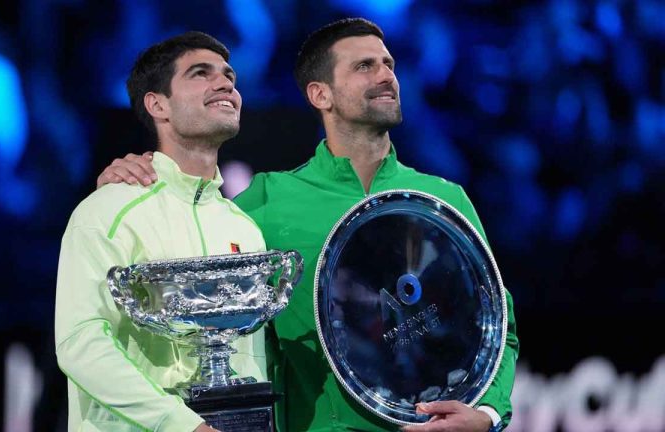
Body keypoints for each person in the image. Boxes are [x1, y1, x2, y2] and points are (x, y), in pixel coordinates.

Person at [98, 18, 519, 432]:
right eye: (363, 67)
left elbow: (499, 325)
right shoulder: (268, 201)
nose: (385, 75)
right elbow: (186, 234)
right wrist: (135, 181)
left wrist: (488, 415)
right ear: (321, 94)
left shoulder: (444, 200)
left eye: (388, 64)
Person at [55, 31, 269, 432]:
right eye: (200, 74)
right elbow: (80, 344)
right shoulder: (108, 210)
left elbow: (250, 359)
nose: (224, 84)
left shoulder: (242, 227)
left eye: (229, 76)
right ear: (157, 104)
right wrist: (183, 425)